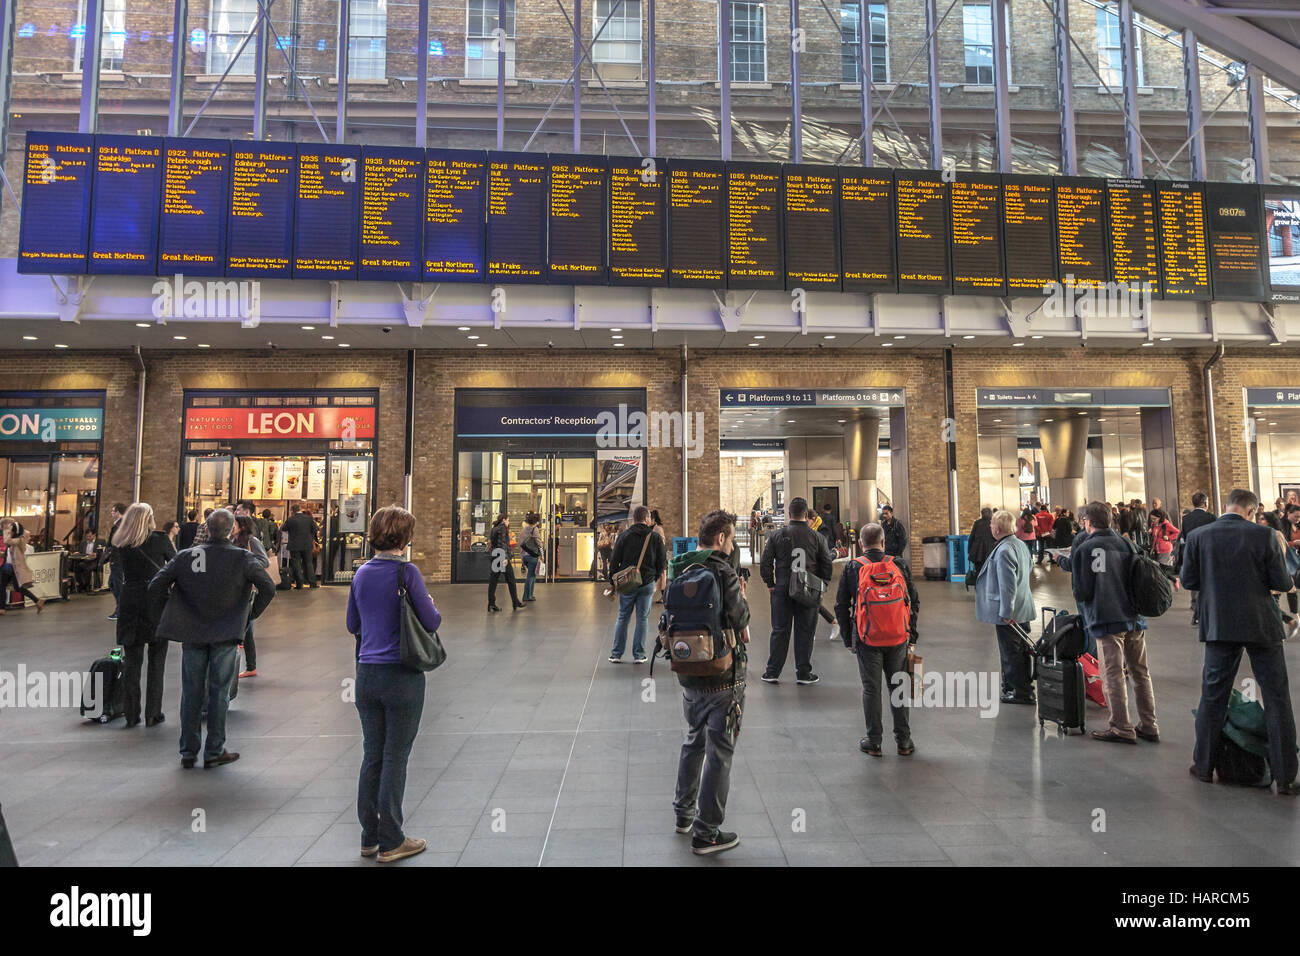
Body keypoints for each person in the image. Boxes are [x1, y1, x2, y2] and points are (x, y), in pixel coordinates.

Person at [1182, 489, 1299, 795]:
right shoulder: (1265, 537)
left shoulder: (1199, 536)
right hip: (1262, 625)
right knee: (1276, 697)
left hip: (1220, 625)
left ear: (1226, 506)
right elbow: (1282, 583)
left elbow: (1190, 581)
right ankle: (1285, 776)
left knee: (1213, 695)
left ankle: (1204, 766)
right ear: (1251, 510)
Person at [346, 505, 440, 863]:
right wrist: (430, 604)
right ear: (405, 537)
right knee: (395, 756)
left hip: (366, 675)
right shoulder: (407, 572)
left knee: (372, 753)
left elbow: (353, 623)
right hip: (401, 675)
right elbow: (431, 621)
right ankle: (392, 840)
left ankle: (369, 836)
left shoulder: (361, 573)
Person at [149, 509, 275, 769]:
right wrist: (249, 614)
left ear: (206, 529)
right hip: (226, 632)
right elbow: (268, 586)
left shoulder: (186, 556)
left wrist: (175, 609)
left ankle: (188, 750)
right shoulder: (242, 558)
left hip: (193, 632)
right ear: (231, 530)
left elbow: (156, 585)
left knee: (191, 692)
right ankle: (214, 749)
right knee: (219, 693)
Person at [668, 509, 750, 856]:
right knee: (720, 751)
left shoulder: (681, 567)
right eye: (731, 539)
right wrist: (741, 595)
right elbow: (741, 619)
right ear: (721, 538)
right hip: (723, 676)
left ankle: (684, 814)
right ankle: (707, 832)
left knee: (693, 740)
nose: (731, 545)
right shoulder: (723, 571)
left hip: (689, 672)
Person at [1071, 502, 1158, 745]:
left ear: (1088, 521)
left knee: (1112, 674)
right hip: (1135, 619)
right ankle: (1149, 724)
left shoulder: (1086, 548)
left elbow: (1082, 591)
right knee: (1140, 672)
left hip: (1107, 618)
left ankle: (1121, 726)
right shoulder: (1127, 543)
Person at [836, 522, 919, 757]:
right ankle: (904, 741)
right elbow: (913, 600)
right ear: (883, 542)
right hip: (898, 638)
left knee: (871, 689)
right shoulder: (898, 564)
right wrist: (911, 635)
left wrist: (848, 638)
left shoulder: (854, 567)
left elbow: (842, 605)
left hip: (867, 639)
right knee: (898, 687)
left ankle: (874, 741)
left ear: (861, 544)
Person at [111, 503, 176, 728]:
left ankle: (131, 713)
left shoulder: (121, 541)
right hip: (156, 601)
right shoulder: (160, 539)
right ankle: (153, 713)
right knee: (157, 660)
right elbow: (174, 565)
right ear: (149, 518)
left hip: (130, 600)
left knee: (132, 661)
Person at [759, 497, 833, 685]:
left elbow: (765, 562)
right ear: (807, 514)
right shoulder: (817, 537)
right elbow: (826, 564)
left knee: (779, 630)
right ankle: (803, 673)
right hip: (807, 590)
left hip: (782, 588)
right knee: (806, 631)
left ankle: (772, 671)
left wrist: (770, 583)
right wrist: (821, 585)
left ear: (789, 514)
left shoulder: (777, 535)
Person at [975, 510, 1036, 705]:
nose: (990, 527)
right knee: (1022, 651)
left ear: (997, 528)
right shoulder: (1020, 545)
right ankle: (1021, 687)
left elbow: (1007, 585)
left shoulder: (1003, 551)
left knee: (1011, 653)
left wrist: (1006, 612)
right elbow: (1027, 570)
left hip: (1011, 611)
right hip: (1023, 606)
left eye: (992, 525)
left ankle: (1019, 692)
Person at [608, 506, 667, 663]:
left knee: (622, 617)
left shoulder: (624, 536)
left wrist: (613, 582)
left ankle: (616, 654)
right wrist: (654, 578)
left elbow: (614, 561)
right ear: (647, 519)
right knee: (642, 618)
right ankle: (639, 655)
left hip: (627, 584)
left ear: (633, 519)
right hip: (646, 583)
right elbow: (662, 562)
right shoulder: (654, 537)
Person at [232, 514, 270, 679]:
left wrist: (249, 567)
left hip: (249, 589)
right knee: (246, 630)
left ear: (242, 526)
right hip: (237, 588)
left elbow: (264, 561)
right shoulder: (232, 540)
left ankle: (249, 666)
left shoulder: (251, 541)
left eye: (235, 523)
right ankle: (250, 667)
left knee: (246, 626)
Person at [1181, 493, 1216, 626]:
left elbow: (1184, 536)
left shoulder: (1186, 519)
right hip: (1208, 555)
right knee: (1207, 584)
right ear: (1206, 503)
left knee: (1196, 583)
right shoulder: (1211, 518)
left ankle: (1196, 608)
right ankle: (1200, 612)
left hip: (1192, 554)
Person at [0, 520, 44, 614]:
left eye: (11, 530)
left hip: (13, 568)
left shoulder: (19, 540)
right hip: (9, 566)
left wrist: (6, 528)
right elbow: (8, 553)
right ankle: (37, 601)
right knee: (10, 587)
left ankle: (2, 608)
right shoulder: (13, 540)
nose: (9, 532)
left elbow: (6, 540)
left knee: (10, 587)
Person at [487, 514, 523, 612]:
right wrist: (505, 557)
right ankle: (515, 602)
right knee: (511, 580)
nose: (509, 522)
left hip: (495, 555)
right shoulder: (502, 528)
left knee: (493, 581)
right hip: (501, 557)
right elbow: (503, 543)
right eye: (508, 520)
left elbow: (494, 543)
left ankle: (491, 604)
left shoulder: (494, 528)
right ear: (504, 520)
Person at [283, 504, 320, 589]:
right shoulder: (308, 518)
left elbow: (283, 529)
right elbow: (315, 529)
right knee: (308, 563)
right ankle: (312, 583)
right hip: (307, 544)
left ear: (292, 511)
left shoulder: (291, 519)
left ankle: (300, 584)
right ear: (300, 509)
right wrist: (308, 536)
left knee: (296, 564)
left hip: (294, 545)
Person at [106, 502, 126, 620]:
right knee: (112, 584)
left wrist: (112, 556)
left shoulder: (119, 526)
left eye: (113, 511)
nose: (112, 513)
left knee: (116, 584)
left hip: (117, 559)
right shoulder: (124, 524)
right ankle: (121, 607)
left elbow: (114, 543)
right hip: (119, 559)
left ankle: (120, 609)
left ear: (118, 512)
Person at [518, 512, 543, 602]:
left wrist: (522, 556)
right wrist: (542, 555)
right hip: (532, 556)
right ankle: (526, 596)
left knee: (532, 575)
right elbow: (539, 542)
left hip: (525, 556)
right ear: (536, 522)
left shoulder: (523, 530)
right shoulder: (534, 529)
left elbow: (520, 543)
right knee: (531, 576)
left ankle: (530, 595)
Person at [966, 507, 996, 577]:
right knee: (990, 570)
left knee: (979, 570)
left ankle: (979, 584)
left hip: (977, 551)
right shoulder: (993, 523)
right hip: (990, 550)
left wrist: (970, 550)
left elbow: (972, 537)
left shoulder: (977, 523)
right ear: (991, 514)